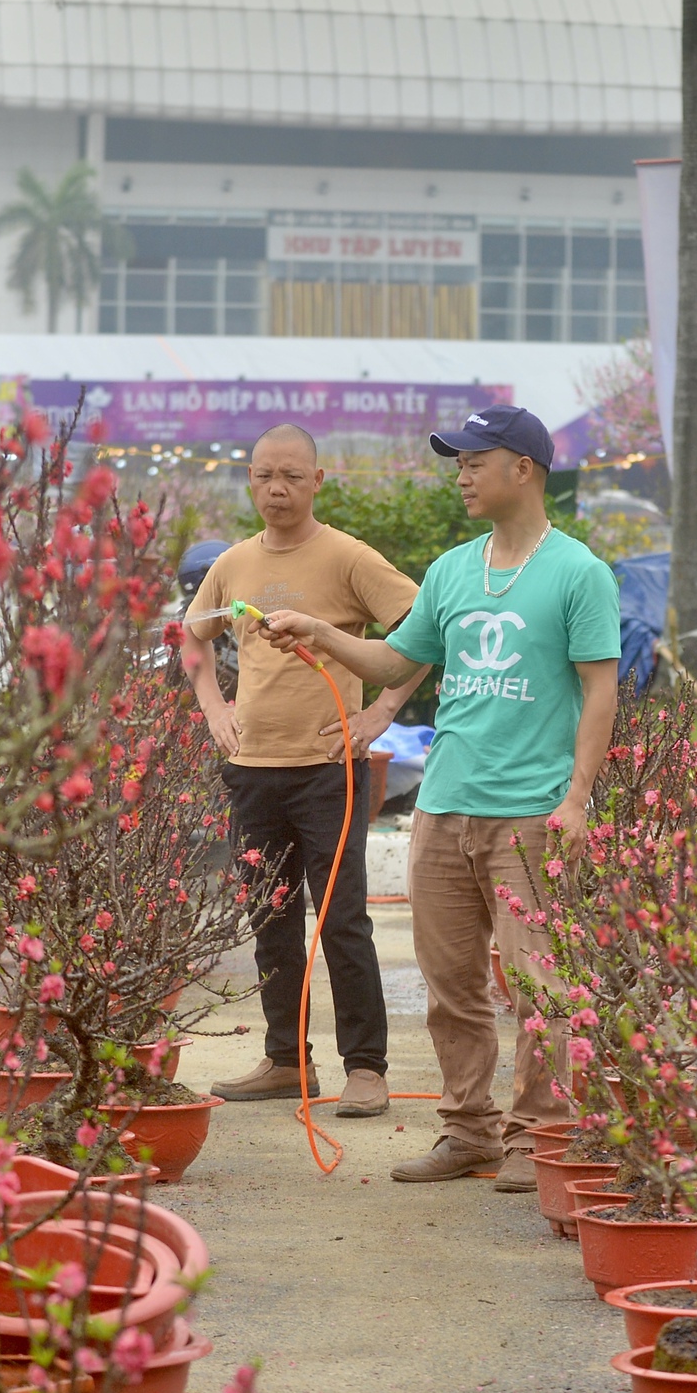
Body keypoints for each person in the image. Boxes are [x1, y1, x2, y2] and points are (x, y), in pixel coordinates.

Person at [260, 404, 620, 1192]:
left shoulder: (579, 572)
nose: (459, 474)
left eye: (473, 460)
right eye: (455, 461)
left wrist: (578, 798)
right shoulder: (454, 570)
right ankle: (469, 1130)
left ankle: (541, 1135)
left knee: (538, 988)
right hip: (445, 807)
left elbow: (600, 693)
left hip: (529, 811)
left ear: (521, 468)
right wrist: (321, 634)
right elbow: (394, 663)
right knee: (451, 985)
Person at [182, 425, 427, 1118]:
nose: (276, 489)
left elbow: (421, 634)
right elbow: (190, 639)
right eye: (264, 476)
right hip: (253, 770)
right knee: (272, 918)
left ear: (318, 480)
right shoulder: (231, 562)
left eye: (291, 475)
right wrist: (213, 710)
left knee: (343, 919)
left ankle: (367, 1067)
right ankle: (287, 1060)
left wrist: (380, 712)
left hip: (328, 768)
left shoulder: (348, 556)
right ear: (249, 479)